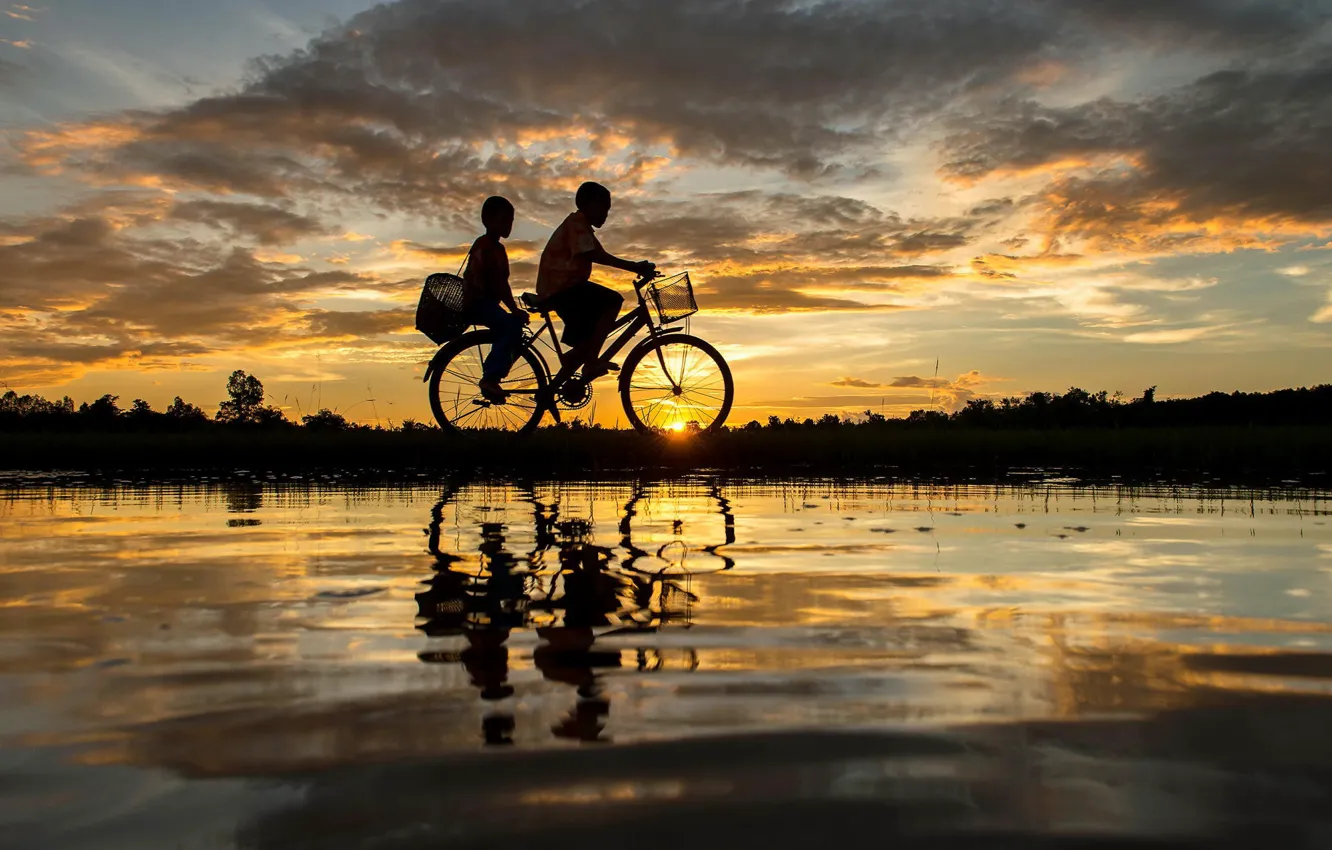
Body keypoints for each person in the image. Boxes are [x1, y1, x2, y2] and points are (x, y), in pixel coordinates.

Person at [535, 182, 655, 396]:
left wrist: (634, 266)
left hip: (566, 288)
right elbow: (597, 256)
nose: (606, 214)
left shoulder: (581, 227)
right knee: (613, 301)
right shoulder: (576, 224)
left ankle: (553, 389)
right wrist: (633, 266)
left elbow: (601, 254)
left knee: (588, 342)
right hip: (562, 288)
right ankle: (591, 362)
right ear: (589, 204)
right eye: (604, 208)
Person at [463, 195, 529, 402]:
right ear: (488, 220)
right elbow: (499, 283)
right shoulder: (487, 246)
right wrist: (514, 310)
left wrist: (513, 309)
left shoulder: (497, 248)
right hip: (478, 302)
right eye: (504, 219)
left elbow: (502, 284)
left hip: (486, 303)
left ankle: (496, 373)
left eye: (511, 220)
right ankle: (491, 378)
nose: (509, 224)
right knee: (511, 325)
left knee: (513, 328)